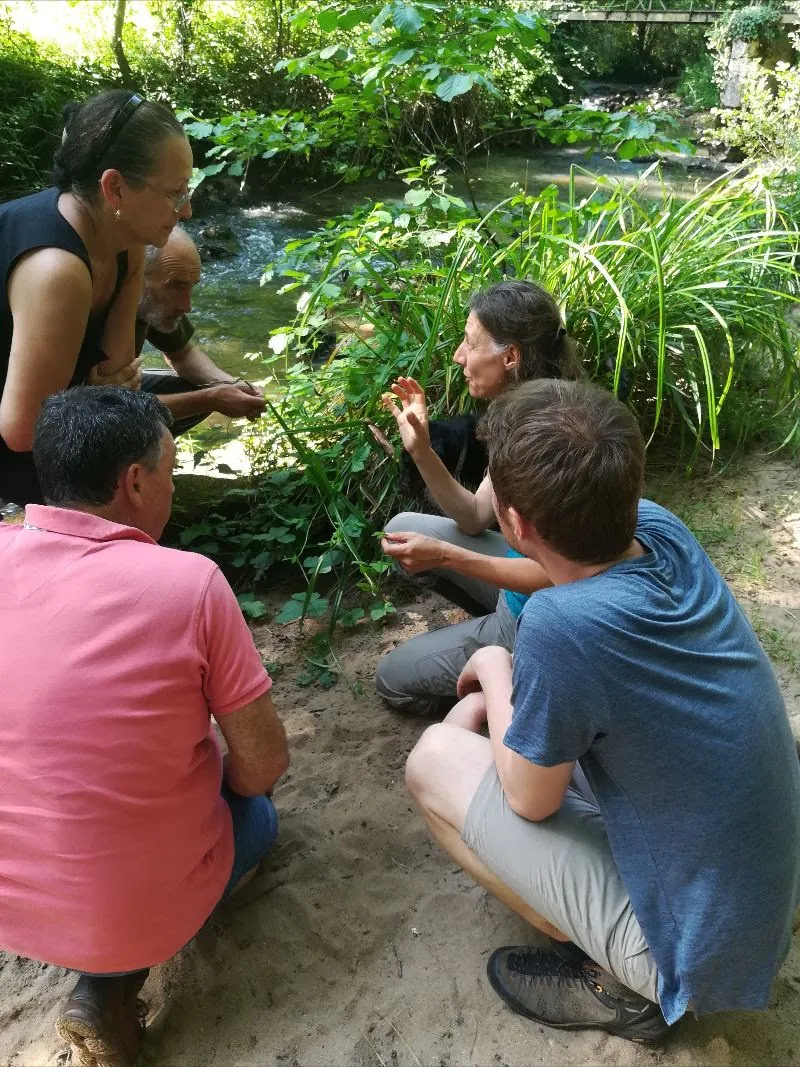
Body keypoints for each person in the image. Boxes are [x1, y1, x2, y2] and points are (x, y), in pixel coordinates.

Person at [404, 379, 800, 1043]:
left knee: (433, 761)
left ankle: (620, 981)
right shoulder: (656, 527)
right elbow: (568, 570)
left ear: (518, 525)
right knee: (520, 732)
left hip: (690, 954)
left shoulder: (559, 627)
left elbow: (529, 799)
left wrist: (496, 675)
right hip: (767, 886)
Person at [0, 387, 289, 1067]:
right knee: (260, 814)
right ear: (135, 482)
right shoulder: (188, 582)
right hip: (135, 908)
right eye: (171, 466)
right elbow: (263, 763)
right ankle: (112, 981)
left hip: (13, 909)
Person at [376, 279, 581, 715]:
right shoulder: (524, 410)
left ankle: (514, 668)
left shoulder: (542, 439)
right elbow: (473, 517)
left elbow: (562, 574)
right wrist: (422, 450)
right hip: (528, 579)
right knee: (401, 531)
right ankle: (493, 639)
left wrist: (448, 557)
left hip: (541, 610)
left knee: (391, 681)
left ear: (511, 357)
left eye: (470, 344)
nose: (458, 356)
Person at [0, 89, 193, 507]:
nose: (187, 210)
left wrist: (90, 395)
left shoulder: (129, 244)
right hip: (14, 443)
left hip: (47, 419)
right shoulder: (56, 270)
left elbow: (118, 375)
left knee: (132, 430)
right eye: (175, 192)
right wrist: (89, 396)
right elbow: (21, 430)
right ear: (115, 187)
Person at [137, 227, 265, 434]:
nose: (187, 306)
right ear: (136, 275)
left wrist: (233, 385)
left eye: (191, 286)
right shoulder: (92, 302)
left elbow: (182, 355)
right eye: (175, 286)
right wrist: (212, 399)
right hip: (76, 406)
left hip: (110, 395)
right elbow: (94, 409)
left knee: (198, 390)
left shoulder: (152, 302)